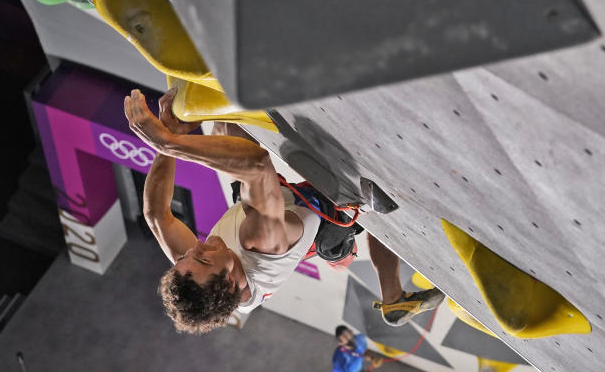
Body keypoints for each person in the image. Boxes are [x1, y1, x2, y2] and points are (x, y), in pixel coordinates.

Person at [123, 88, 445, 334]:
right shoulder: (259, 247)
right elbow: (256, 164)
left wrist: (171, 131)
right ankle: (390, 294)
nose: (196, 246)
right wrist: (169, 144)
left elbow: (157, 215)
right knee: (370, 225)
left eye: (185, 258)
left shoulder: (197, 275)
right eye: (204, 257)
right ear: (233, 283)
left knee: (225, 121)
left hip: (261, 209)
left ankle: (339, 259)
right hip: (321, 217)